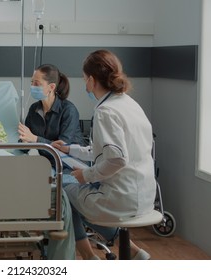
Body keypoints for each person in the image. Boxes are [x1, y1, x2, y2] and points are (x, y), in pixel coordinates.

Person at [58, 49, 156, 260]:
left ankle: (88, 257)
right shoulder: (129, 104)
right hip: (145, 196)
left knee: (63, 193)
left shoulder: (105, 111)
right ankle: (132, 251)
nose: (85, 85)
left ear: (92, 80)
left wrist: (87, 175)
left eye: (85, 80)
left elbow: (117, 159)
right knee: (76, 194)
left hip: (121, 199)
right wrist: (69, 149)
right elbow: (105, 149)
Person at [18, 64, 84, 181]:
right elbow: (25, 146)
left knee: (55, 186)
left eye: (37, 83)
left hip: (71, 166)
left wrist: (35, 139)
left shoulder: (68, 110)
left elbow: (62, 148)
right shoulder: (34, 109)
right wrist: (23, 141)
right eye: (31, 82)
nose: (32, 86)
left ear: (51, 87)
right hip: (48, 165)